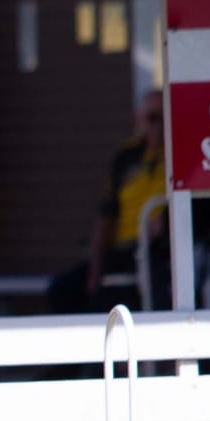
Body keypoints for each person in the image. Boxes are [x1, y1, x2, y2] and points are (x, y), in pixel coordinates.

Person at [49, 90, 171, 313]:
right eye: (152, 118)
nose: (160, 126)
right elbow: (107, 215)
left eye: (166, 117)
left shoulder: (182, 153)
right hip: (121, 250)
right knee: (63, 290)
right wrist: (96, 267)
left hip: (159, 252)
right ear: (139, 119)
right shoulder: (127, 155)